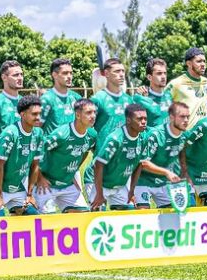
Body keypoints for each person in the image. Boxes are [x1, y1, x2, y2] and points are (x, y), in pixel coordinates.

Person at [36, 98, 97, 213]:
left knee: (83, 215)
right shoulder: (61, 135)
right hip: (47, 184)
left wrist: (73, 171)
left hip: (68, 184)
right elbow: (34, 154)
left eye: (94, 112)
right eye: (88, 113)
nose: (93, 116)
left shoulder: (92, 135)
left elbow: (85, 152)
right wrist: (40, 178)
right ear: (78, 115)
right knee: (46, 223)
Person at [83, 58, 133, 195]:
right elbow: (86, 130)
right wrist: (96, 147)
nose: (121, 74)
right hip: (99, 170)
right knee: (96, 215)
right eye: (117, 71)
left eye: (123, 71)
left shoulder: (129, 100)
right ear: (106, 74)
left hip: (121, 171)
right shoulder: (97, 99)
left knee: (127, 212)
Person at [0, 95, 44, 216]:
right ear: (23, 114)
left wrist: (29, 195)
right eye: (34, 114)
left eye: (39, 113)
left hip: (17, 186)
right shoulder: (10, 133)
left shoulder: (38, 133)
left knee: (33, 216)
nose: (38, 117)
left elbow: (35, 165)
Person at [90, 104, 148, 211]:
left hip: (121, 186)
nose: (144, 121)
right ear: (128, 120)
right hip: (103, 185)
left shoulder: (143, 138)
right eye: (139, 119)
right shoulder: (116, 139)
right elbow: (98, 164)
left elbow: (139, 164)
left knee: (129, 215)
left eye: (145, 118)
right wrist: (99, 193)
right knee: (95, 217)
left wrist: (131, 190)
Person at [135, 102, 190, 209]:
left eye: (188, 117)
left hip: (164, 182)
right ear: (172, 117)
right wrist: (166, 172)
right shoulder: (156, 135)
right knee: (142, 215)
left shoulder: (184, 136)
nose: (186, 120)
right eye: (182, 117)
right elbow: (143, 163)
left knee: (173, 214)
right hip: (143, 181)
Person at [165, 47, 207, 129]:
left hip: (202, 135)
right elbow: (161, 103)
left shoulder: (205, 82)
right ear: (189, 63)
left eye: (204, 61)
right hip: (183, 135)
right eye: (199, 61)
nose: (203, 64)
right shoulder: (176, 83)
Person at [40, 58, 82, 134]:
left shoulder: (76, 97)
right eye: (65, 73)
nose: (69, 76)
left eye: (71, 73)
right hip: (54, 145)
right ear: (54, 75)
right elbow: (36, 128)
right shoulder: (46, 99)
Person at [0, 60, 23, 136]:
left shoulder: (24, 101)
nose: (20, 78)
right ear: (4, 77)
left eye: (21, 74)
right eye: (15, 75)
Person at [133, 58, 171, 128]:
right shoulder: (142, 98)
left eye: (165, 73)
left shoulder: (169, 95)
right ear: (149, 77)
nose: (163, 77)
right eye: (159, 73)